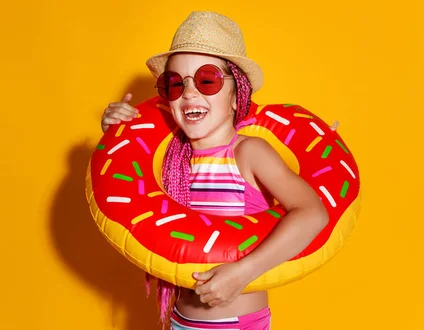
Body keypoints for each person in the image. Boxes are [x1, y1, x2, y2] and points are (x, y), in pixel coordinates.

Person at [100, 11, 328, 330]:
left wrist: (243, 273)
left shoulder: (249, 153)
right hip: (180, 321)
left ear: (237, 96)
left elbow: (312, 213)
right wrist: (118, 133)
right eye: (175, 83)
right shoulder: (170, 160)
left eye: (207, 80)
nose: (190, 93)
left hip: (238, 324)